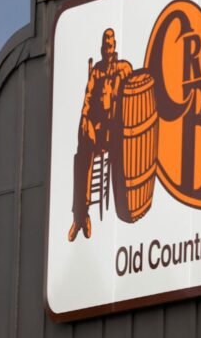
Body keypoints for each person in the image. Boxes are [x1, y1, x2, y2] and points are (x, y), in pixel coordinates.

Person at [69, 28, 133, 242]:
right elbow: (87, 101)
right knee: (82, 155)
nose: (108, 49)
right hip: (97, 130)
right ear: (101, 49)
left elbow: (132, 95)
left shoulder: (124, 68)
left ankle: (122, 205)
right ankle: (80, 216)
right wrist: (84, 121)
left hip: (116, 130)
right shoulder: (96, 71)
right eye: (105, 46)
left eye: (111, 45)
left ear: (115, 47)